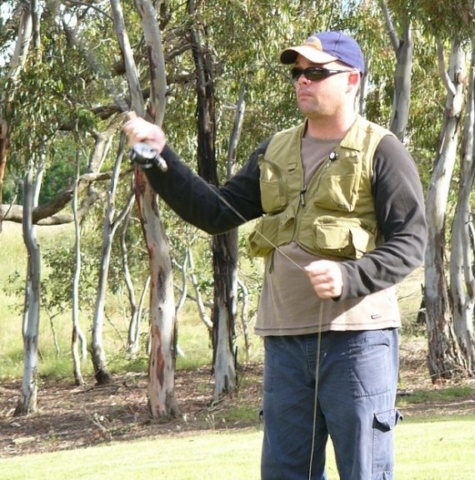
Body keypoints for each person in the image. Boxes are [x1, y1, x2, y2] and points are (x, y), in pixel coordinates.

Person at [124, 31, 427, 480]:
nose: (303, 81)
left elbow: (411, 242)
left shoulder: (382, 150)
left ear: (352, 80)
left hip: (358, 341)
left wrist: (351, 277)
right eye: (297, 73)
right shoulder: (275, 150)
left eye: (317, 72)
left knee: (364, 470)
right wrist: (158, 155)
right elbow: (214, 212)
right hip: (284, 341)